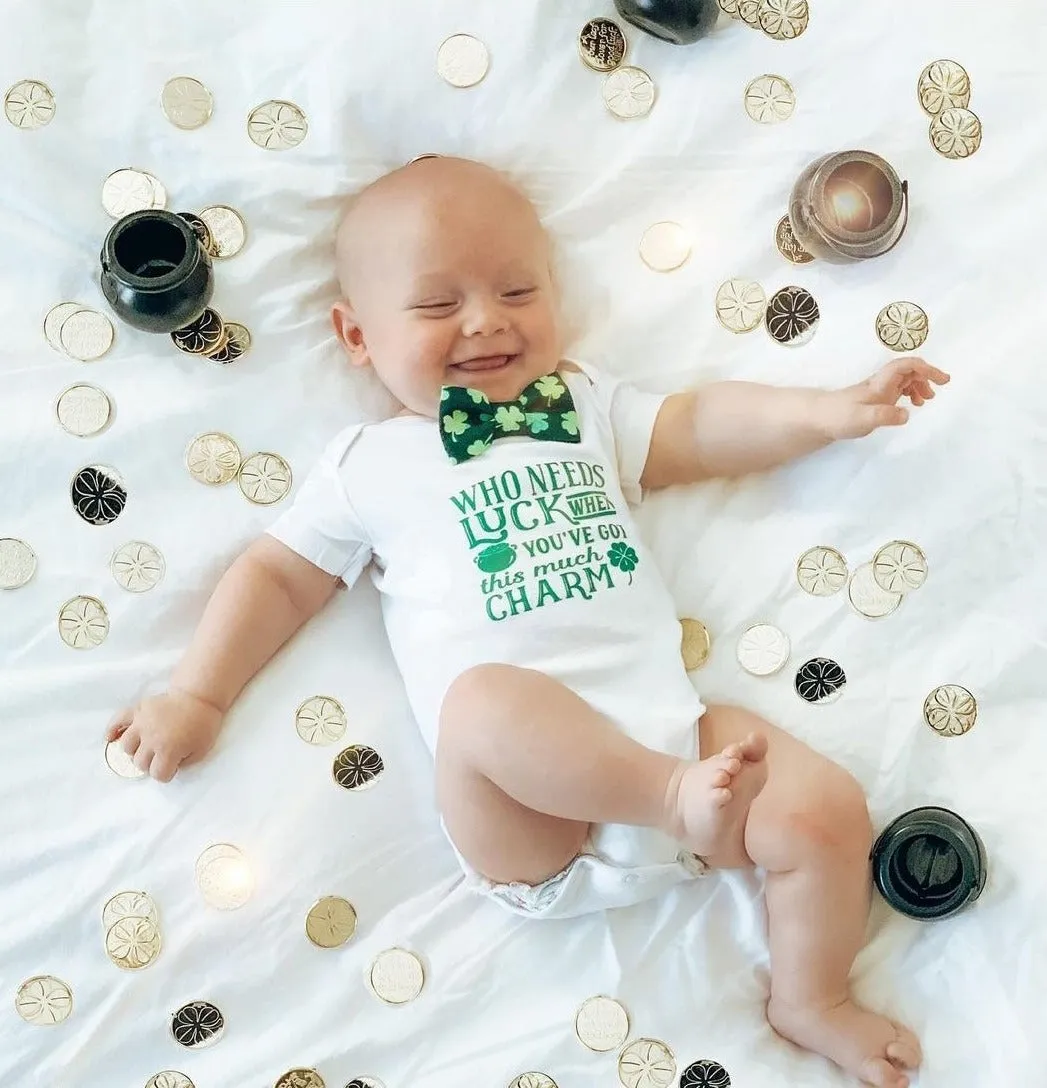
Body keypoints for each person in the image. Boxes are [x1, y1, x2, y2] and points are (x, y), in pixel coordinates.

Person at [109, 156, 949, 1088]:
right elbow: (275, 576)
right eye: (438, 306)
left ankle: (811, 997)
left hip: (676, 751)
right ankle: (668, 796)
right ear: (356, 335)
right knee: (481, 706)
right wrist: (197, 693)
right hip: (534, 826)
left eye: (517, 290)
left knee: (824, 808)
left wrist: (826, 412)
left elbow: (701, 426)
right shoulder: (369, 465)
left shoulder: (581, 405)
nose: (486, 320)